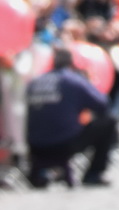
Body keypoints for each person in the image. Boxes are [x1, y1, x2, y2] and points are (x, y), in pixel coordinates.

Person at [24, 46, 114, 188]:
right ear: (72, 63)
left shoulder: (35, 82)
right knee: (109, 123)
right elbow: (103, 104)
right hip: (64, 143)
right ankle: (93, 174)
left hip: (35, 145)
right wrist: (87, 83)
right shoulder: (73, 80)